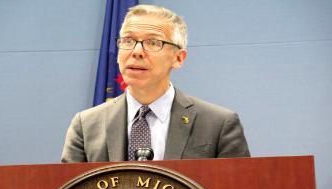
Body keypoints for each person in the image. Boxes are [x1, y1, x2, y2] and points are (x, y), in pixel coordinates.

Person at [61, 5, 250, 162]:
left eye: (152, 43)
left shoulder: (219, 124)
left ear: (178, 58)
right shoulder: (86, 126)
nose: (137, 51)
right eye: (128, 41)